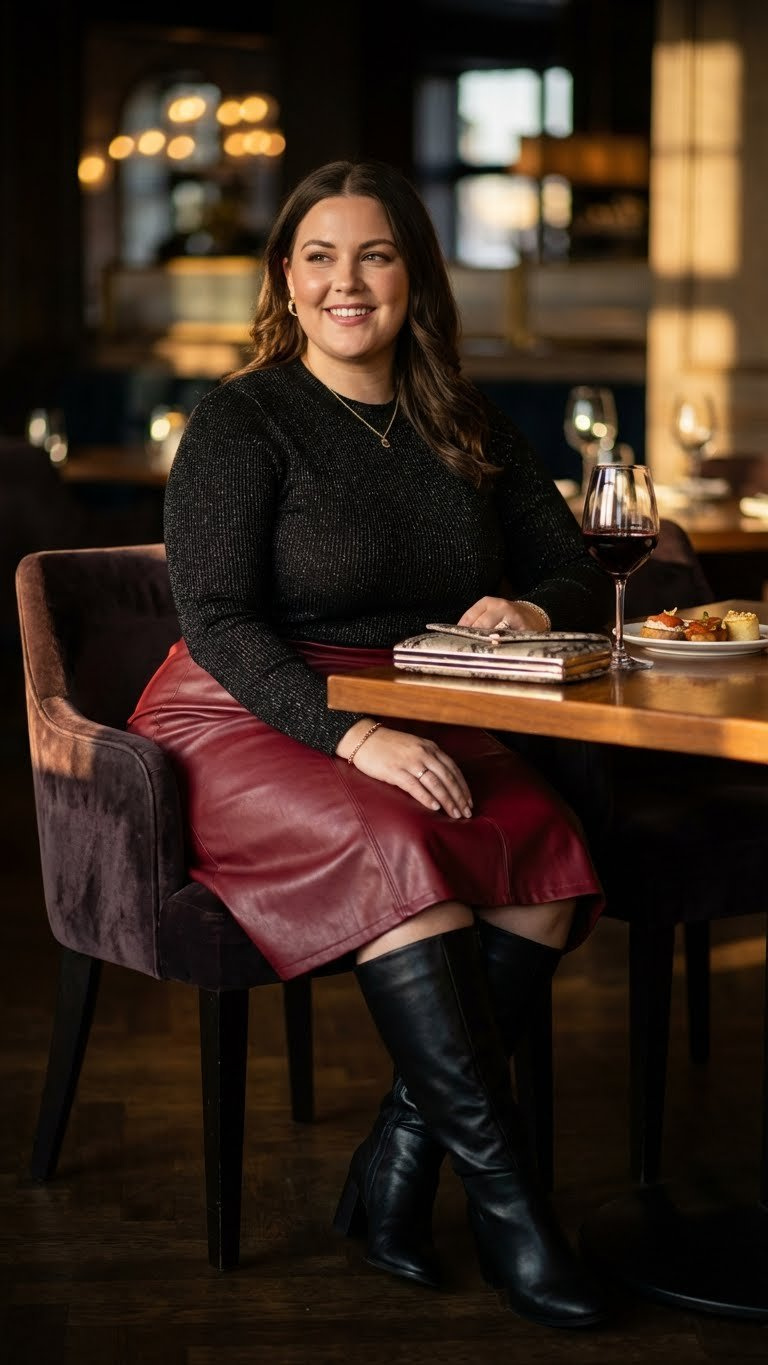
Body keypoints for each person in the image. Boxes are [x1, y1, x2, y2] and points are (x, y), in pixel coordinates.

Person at [128, 159, 613, 1330]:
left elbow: (568, 560)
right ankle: (514, 1217)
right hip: (248, 709)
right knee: (413, 862)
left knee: (546, 859)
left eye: (377, 254)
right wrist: (350, 738)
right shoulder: (242, 418)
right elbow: (221, 624)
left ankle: (391, 1171)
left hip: (416, 707)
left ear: (415, 277)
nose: (349, 282)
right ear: (286, 282)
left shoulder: (461, 415)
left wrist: (533, 610)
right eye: (320, 257)